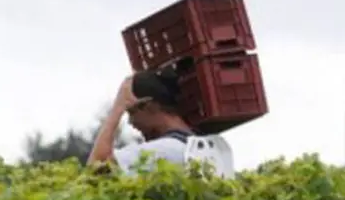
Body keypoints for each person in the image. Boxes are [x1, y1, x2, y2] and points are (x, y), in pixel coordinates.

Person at [86, 68, 234, 178]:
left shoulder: (166, 150)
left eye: (131, 112)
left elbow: (95, 169)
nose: (131, 122)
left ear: (149, 106)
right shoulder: (200, 147)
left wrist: (117, 109)